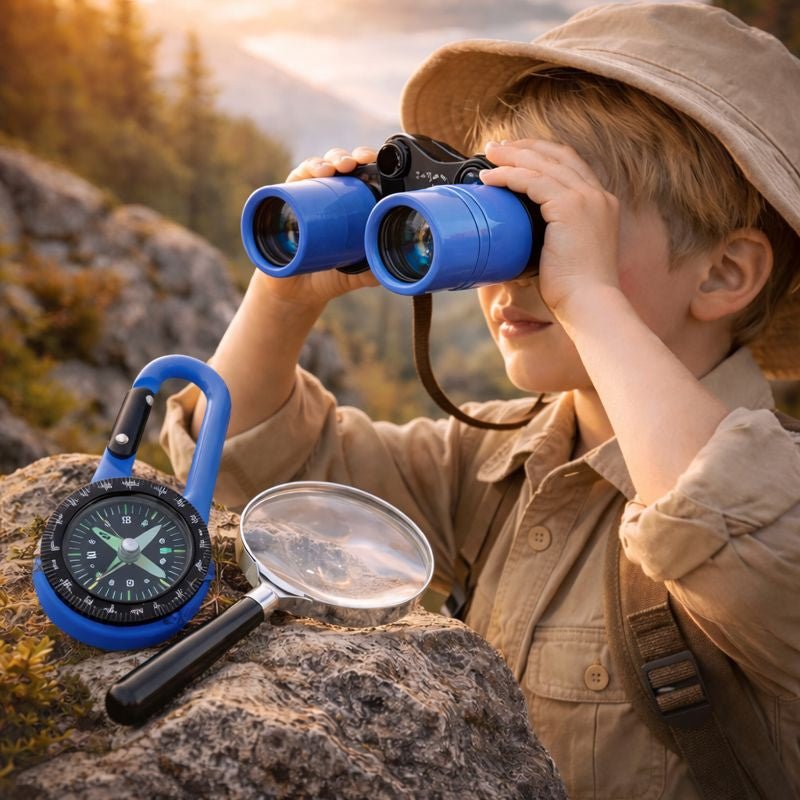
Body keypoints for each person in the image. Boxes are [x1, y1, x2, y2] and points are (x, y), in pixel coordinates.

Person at [161, 3, 800, 797]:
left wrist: (590, 299)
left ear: (723, 273)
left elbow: (738, 528)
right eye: (493, 214)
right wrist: (284, 296)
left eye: (553, 224)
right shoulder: (495, 466)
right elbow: (256, 478)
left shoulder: (783, 497)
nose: (509, 275)